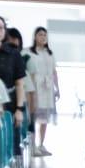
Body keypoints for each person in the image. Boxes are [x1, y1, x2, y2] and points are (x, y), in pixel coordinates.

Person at [26, 26, 58, 156]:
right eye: (40, 35)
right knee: (33, 116)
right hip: (35, 86)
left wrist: (57, 88)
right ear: (35, 37)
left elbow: (54, 72)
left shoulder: (50, 53)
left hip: (47, 87)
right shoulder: (28, 52)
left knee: (45, 118)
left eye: (45, 35)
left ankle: (41, 144)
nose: (43, 37)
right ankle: (32, 146)